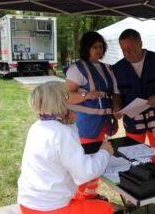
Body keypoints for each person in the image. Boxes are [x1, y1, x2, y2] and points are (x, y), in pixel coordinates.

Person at [17, 81, 114, 214]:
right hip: (51, 209)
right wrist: (105, 152)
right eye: (66, 97)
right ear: (60, 102)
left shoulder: (37, 126)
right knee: (106, 208)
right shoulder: (62, 132)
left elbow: (67, 151)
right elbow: (86, 172)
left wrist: (71, 124)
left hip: (27, 203)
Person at [112, 29, 155, 209]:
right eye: (124, 49)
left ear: (141, 43)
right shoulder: (117, 68)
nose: (128, 53)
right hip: (133, 119)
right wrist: (116, 108)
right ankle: (134, 195)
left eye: (131, 48)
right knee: (132, 156)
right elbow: (117, 94)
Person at [66, 31, 118, 201]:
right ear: (86, 48)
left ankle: (90, 195)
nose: (98, 49)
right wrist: (86, 96)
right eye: (95, 46)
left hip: (103, 123)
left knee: (97, 158)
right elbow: (66, 96)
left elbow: (112, 95)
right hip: (85, 125)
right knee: (84, 162)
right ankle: (75, 199)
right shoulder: (77, 69)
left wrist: (114, 119)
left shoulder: (106, 68)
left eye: (101, 46)